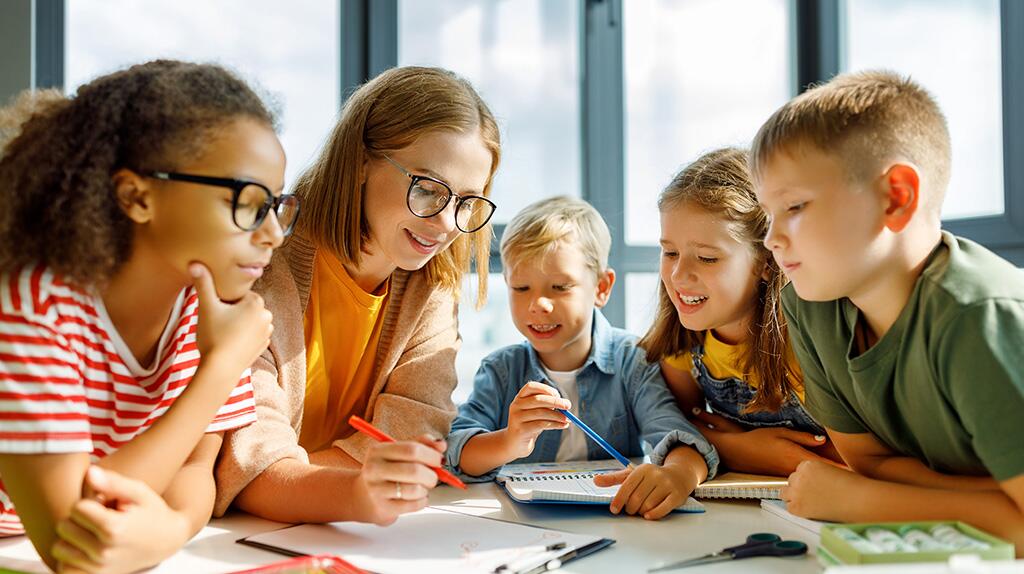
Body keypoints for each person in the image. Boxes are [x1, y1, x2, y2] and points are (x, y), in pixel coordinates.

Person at [0, 60, 296, 572]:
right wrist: (221, 365)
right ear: (137, 195)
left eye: (276, 205)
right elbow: (69, 536)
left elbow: (195, 466)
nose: (273, 233)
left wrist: (175, 528)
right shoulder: (31, 306)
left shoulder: (200, 302)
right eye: (248, 202)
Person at [751, 69, 1024, 554]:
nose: (772, 237)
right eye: (769, 214)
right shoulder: (811, 307)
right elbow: (869, 461)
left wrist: (865, 502)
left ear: (896, 197)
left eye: (794, 206)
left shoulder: (980, 317)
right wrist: (990, 501)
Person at [215, 66, 501, 526]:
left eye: (466, 202)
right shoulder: (262, 261)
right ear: (361, 160)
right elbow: (251, 469)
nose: (447, 223)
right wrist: (340, 484)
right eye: (427, 189)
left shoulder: (429, 291)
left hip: (331, 531)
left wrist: (294, 481)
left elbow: (414, 437)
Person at [447, 196, 717, 521]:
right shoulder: (501, 369)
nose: (539, 304)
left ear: (602, 287)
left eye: (560, 287)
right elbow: (458, 452)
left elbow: (675, 434)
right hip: (520, 523)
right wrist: (510, 440)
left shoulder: (634, 359)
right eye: (521, 288)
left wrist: (678, 473)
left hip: (619, 520)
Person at [639, 147, 841, 476]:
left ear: (766, 261)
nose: (677, 276)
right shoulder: (683, 340)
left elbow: (844, 459)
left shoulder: (808, 341)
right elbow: (674, 425)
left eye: (707, 258)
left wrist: (722, 444)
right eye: (670, 252)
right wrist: (744, 449)